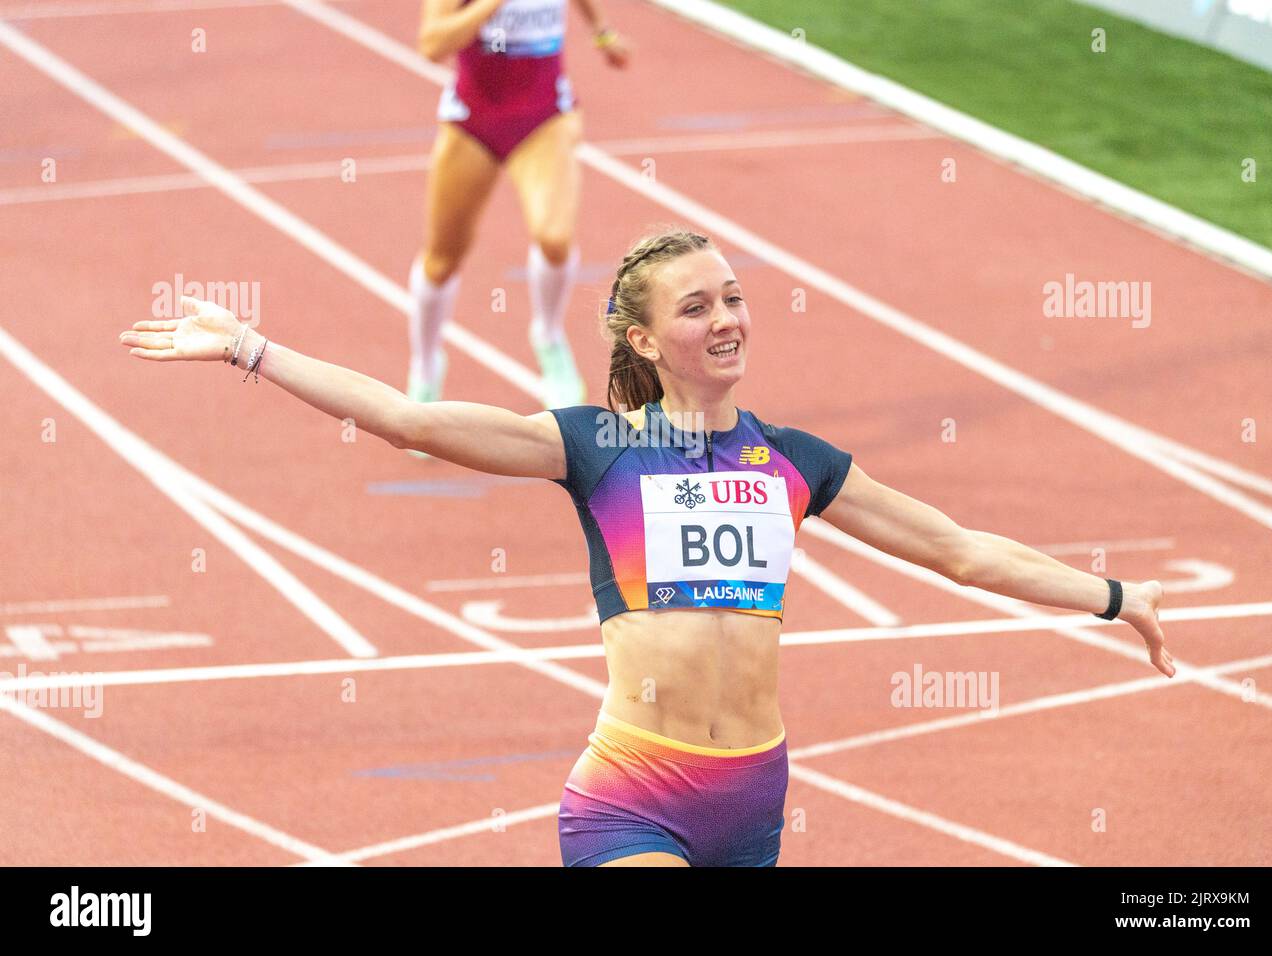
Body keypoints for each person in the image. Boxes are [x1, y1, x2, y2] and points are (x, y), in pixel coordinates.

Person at [117, 227, 1175, 867]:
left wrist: (1111, 593)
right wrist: (252, 348)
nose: (728, 318)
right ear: (640, 339)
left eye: (734, 298)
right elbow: (413, 421)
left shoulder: (792, 461)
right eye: (697, 306)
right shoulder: (594, 448)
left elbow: (956, 550)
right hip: (631, 789)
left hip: (754, 796)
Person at [408, 0, 629, 415]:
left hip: (545, 117)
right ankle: (425, 366)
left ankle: (548, 337)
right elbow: (431, 44)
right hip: (473, 120)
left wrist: (601, 31)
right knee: (442, 258)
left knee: (555, 237)